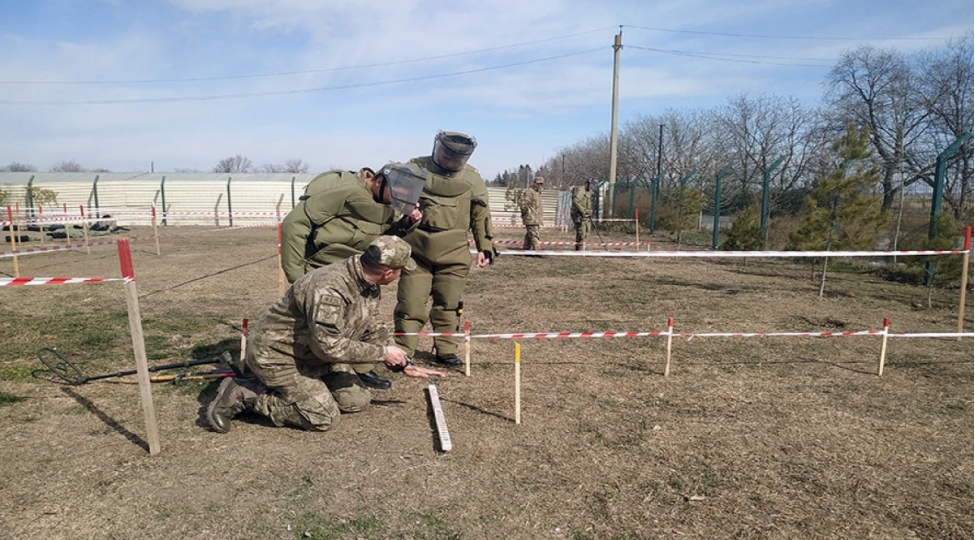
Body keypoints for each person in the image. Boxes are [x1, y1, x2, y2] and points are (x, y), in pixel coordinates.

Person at [207, 236, 445, 434]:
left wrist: (402, 362)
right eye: (401, 271)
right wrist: (383, 354)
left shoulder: (368, 283)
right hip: (279, 356)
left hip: (314, 355)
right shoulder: (330, 288)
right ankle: (244, 393)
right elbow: (328, 346)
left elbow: (372, 325)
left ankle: (307, 390)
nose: (401, 275)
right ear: (388, 272)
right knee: (322, 416)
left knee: (355, 400)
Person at [279, 162, 427, 390]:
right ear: (380, 181)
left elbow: (379, 240)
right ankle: (301, 368)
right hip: (322, 270)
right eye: (396, 195)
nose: (397, 201)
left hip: (358, 271)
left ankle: (359, 369)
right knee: (318, 326)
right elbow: (294, 224)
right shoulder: (345, 192)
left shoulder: (382, 203)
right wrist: (297, 276)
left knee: (359, 318)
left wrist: (405, 224)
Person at [395, 131, 497, 367]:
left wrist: (486, 247)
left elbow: (481, 216)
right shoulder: (415, 169)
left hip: (454, 255)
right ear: (436, 148)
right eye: (446, 155)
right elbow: (393, 205)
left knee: (448, 305)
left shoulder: (472, 180)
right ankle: (403, 352)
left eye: (455, 159)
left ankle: (446, 350)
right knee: (410, 304)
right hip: (416, 253)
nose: (449, 162)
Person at [520, 176, 544, 251]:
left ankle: (526, 248)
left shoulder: (537, 193)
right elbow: (523, 204)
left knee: (529, 234)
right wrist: (526, 214)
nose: (539, 185)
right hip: (531, 218)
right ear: (534, 183)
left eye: (541, 184)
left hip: (536, 218)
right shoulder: (529, 192)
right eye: (538, 183)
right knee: (534, 235)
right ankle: (538, 250)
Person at [570, 180, 593, 251]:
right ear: (586, 184)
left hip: (585, 215)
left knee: (586, 230)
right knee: (582, 231)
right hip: (579, 214)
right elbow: (575, 201)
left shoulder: (587, 192)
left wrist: (589, 212)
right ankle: (580, 249)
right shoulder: (581, 191)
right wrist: (583, 211)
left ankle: (579, 248)